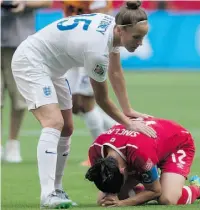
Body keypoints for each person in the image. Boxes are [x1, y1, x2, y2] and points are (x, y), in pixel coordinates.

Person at [11, 1, 156, 208]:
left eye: (143, 37)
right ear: (120, 30)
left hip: (53, 68)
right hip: (31, 61)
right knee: (53, 123)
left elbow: (116, 72)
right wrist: (128, 123)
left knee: (67, 127)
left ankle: (57, 189)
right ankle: (47, 195)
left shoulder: (112, 26)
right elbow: (102, 100)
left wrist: (128, 109)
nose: (140, 42)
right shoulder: (97, 50)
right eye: (136, 37)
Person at [85, 117, 200, 207]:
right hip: (148, 147)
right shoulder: (95, 152)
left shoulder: (139, 153)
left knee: (167, 199)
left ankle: (199, 190)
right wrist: (111, 196)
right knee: (103, 200)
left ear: (123, 170)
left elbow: (155, 191)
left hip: (177, 143)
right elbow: (106, 180)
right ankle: (155, 179)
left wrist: (123, 203)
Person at [63, 0, 116, 167]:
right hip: (72, 46)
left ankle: (101, 154)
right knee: (73, 104)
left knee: (86, 103)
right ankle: (120, 129)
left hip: (90, 48)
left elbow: (100, 17)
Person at [1, 0, 52, 163]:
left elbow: (47, 2)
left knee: (19, 99)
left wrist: (24, 3)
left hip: (20, 43)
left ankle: (13, 143)